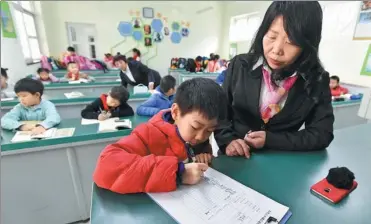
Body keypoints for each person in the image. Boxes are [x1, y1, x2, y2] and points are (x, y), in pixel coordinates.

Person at [214, 1, 334, 156]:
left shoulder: (316, 79)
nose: (276, 50)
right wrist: (227, 140)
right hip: (234, 157)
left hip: (281, 160)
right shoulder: (240, 65)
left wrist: (271, 140)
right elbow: (219, 112)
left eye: (291, 42)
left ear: (307, 44)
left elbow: (322, 134)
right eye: (272, 36)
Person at [93, 78, 227, 193]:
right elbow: (106, 166)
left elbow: (193, 153)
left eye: (209, 130)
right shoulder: (148, 134)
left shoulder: (195, 139)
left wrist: (203, 155)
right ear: (175, 112)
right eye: (195, 127)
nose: (200, 136)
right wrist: (178, 173)